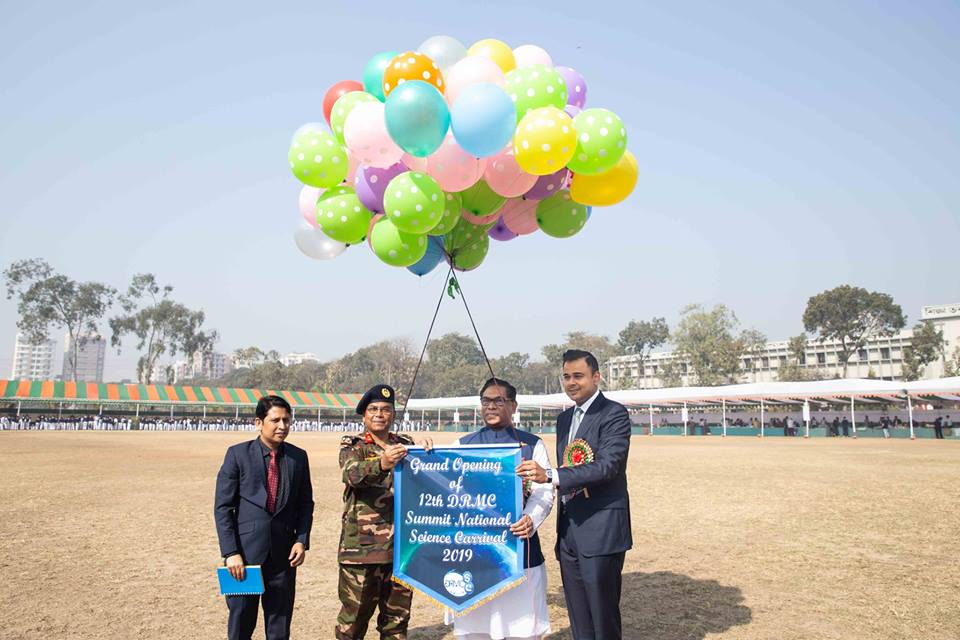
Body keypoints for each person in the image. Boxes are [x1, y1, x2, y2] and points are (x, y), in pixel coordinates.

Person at [518, 349, 633, 639]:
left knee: (602, 617)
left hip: (602, 531)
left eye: (578, 376)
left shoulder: (614, 413)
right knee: (579, 616)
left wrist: (552, 476)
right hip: (569, 530)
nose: (571, 382)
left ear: (596, 377)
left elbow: (608, 466)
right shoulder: (565, 419)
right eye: (566, 376)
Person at [445, 377, 554, 639]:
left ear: (514, 406)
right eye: (486, 401)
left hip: (519, 549)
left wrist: (530, 519)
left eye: (498, 401)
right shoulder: (463, 445)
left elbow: (544, 492)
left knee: (521, 627)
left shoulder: (532, 444)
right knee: (475, 626)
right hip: (474, 552)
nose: (491, 406)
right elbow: (445, 487)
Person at [214, 395, 315, 640]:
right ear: (259, 422)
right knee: (240, 624)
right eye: (276, 420)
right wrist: (230, 553)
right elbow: (223, 508)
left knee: (279, 626)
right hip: (244, 559)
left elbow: (305, 504)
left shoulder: (298, 457)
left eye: (287, 420)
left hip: (284, 557)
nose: (282, 426)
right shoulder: (237, 454)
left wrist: (301, 540)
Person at [336, 384, 415, 639]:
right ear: (364, 415)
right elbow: (351, 474)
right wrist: (383, 463)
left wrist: (428, 453)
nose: (379, 414)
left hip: (401, 551)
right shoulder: (354, 444)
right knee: (353, 623)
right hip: (362, 551)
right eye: (373, 409)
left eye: (386, 409)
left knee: (396, 624)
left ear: (393, 414)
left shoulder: (406, 445)